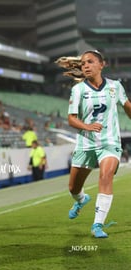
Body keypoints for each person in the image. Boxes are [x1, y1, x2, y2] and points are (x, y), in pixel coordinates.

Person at [55, 50, 131, 238]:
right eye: (83, 63)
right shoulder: (78, 89)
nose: (85, 66)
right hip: (85, 144)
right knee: (73, 188)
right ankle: (81, 199)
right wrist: (87, 126)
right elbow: (71, 119)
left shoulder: (115, 86)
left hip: (110, 142)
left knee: (105, 176)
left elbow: (128, 107)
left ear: (101, 64)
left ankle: (98, 225)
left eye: (90, 62)